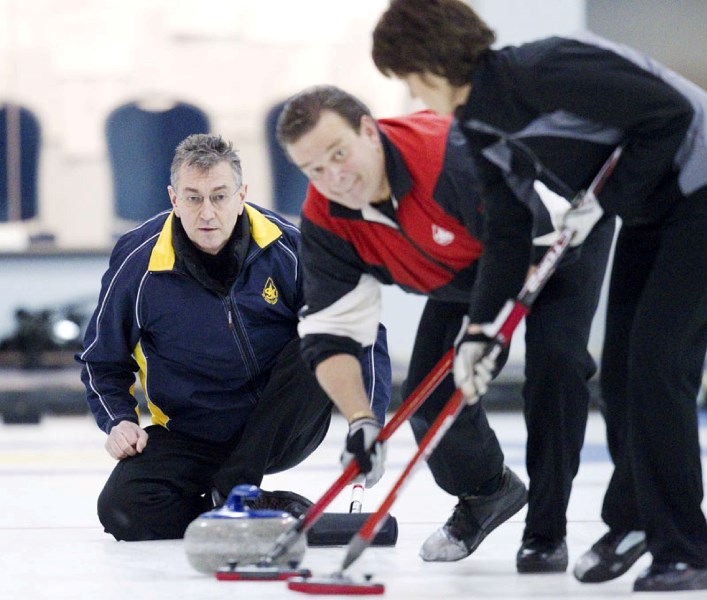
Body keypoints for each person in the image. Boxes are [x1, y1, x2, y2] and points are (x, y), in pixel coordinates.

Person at [372, 0, 707, 593]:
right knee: (626, 374)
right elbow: (506, 229)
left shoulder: (544, 69)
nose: (416, 97)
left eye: (411, 80)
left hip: (698, 189)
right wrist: (479, 334)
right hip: (656, 209)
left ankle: (685, 545)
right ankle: (635, 522)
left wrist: (606, 200)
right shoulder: (479, 120)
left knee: (659, 366)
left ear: (432, 65)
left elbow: (672, 113)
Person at [77, 133, 391, 541]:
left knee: (325, 334)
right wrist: (118, 419)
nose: (207, 212)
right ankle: (256, 507)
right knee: (123, 510)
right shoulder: (139, 262)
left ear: (242, 194)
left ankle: (235, 490)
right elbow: (102, 359)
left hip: (281, 428)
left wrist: (368, 424)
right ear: (173, 198)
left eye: (220, 196)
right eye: (193, 198)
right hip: (193, 432)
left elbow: (361, 330)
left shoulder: (289, 247)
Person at [277, 85, 536, 564]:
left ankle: (553, 529)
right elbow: (331, 331)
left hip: (540, 244)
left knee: (556, 368)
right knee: (431, 398)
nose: (334, 177)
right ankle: (487, 492)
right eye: (314, 169)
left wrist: (485, 331)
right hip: (458, 273)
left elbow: (520, 232)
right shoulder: (326, 216)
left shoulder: (447, 158)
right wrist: (360, 421)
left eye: (339, 154)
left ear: (369, 132)